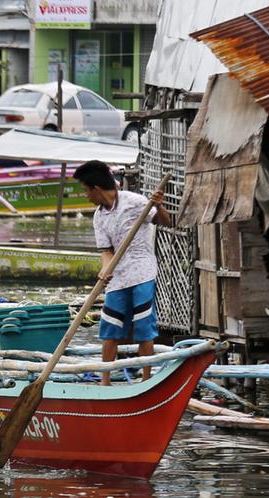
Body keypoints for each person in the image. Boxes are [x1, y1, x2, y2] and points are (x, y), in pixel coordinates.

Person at [73, 160, 171, 385]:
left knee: (144, 328)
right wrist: (105, 270)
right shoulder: (99, 216)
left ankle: (146, 381)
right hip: (118, 277)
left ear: (96, 189)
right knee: (110, 329)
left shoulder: (136, 202)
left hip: (142, 272)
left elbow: (165, 222)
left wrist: (159, 206)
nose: (86, 196)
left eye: (86, 190)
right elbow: (107, 251)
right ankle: (105, 382)